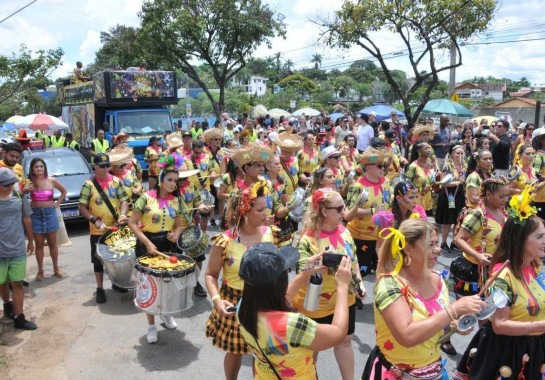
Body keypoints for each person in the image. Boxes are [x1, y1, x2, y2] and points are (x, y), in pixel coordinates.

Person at [362, 219, 486, 379]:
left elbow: (437, 326)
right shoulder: (389, 285)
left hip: (434, 372)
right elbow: (407, 336)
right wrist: (453, 310)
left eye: (437, 243)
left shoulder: (438, 280)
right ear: (408, 249)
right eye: (430, 245)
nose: (438, 250)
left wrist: (455, 325)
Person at [452, 192, 545, 379]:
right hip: (511, 353)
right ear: (520, 239)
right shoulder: (503, 277)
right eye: (540, 236)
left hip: (535, 347)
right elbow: (499, 325)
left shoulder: (534, 267)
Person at [237, 243, 353, 380]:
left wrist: (305, 274)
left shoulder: (242, 307)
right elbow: (338, 333)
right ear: (279, 282)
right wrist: (342, 286)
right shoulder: (291, 325)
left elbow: (278, 302)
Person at [204, 180, 275, 380]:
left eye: (266, 208)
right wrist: (217, 300)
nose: (265, 213)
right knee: (235, 352)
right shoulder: (225, 241)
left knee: (261, 352)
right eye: (260, 210)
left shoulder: (270, 234)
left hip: (264, 301)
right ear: (245, 211)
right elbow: (210, 274)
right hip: (234, 302)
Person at [292, 188, 365, 379]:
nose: (344, 211)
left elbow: (354, 260)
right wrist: (319, 262)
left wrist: (360, 283)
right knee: (312, 348)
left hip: (344, 299)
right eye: (339, 208)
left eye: (344, 207)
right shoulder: (308, 239)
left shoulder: (346, 232)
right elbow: (301, 271)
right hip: (315, 302)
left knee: (345, 341)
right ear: (324, 211)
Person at [128, 168, 183, 344]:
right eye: (170, 180)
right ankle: (151, 325)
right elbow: (132, 223)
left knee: (167, 285)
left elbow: (180, 224)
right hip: (148, 245)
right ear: (160, 180)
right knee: (149, 287)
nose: (173, 184)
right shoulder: (146, 197)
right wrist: (147, 243)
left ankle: (166, 315)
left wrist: (175, 233)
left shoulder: (176, 200)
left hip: (168, 245)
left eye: (175, 180)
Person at [78, 153, 129, 303]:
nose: (106, 169)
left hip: (115, 228)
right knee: (98, 261)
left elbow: (124, 200)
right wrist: (93, 219)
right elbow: (82, 206)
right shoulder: (88, 184)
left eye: (108, 166)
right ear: (94, 166)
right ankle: (99, 288)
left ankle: (116, 282)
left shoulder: (116, 181)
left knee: (116, 258)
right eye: (102, 166)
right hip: (98, 230)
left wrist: (123, 214)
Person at [344, 147, 391, 277]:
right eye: (380, 166)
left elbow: (389, 201)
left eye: (384, 166)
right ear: (368, 167)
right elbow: (350, 211)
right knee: (360, 272)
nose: (383, 169)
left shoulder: (386, 182)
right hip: (361, 237)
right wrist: (373, 210)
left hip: (382, 236)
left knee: (382, 272)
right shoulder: (357, 186)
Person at [0, 168, 36, 330]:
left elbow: (26, 218)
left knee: (17, 284)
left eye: (11, 184)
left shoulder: (18, 197)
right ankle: (7, 304)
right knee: (1, 282)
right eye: (6, 185)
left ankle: (19, 317)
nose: (10, 187)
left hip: (17, 248)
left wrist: (30, 240)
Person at [26, 158, 67, 280]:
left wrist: (57, 203)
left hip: (50, 213)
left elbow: (64, 191)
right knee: (38, 244)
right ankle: (40, 271)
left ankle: (56, 268)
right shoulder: (29, 182)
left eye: (41, 166)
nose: (39, 169)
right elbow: (21, 194)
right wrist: (28, 201)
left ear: (44, 168)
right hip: (36, 214)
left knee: (53, 243)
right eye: (36, 167)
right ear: (32, 169)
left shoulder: (51, 180)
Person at [179, 140, 216, 234]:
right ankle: (194, 233)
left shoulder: (208, 157)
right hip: (190, 191)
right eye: (196, 152)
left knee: (205, 214)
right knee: (192, 214)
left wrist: (212, 174)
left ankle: (203, 233)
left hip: (205, 191)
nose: (199, 154)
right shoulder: (185, 160)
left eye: (200, 152)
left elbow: (212, 170)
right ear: (192, 149)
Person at [435, 144, 467, 251]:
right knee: (448, 220)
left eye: (462, 153)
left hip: (459, 195)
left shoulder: (464, 166)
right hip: (450, 195)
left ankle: (454, 241)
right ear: (452, 154)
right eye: (457, 153)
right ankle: (443, 243)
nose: (460, 155)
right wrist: (459, 182)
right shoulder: (448, 166)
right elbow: (444, 183)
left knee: (457, 220)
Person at [405, 141, 435, 215]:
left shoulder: (431, 165)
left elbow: (432, 182)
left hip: (429, 200)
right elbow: (407, 185)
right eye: (426, 148)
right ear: (419, 151)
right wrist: (421, 189)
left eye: (429, 148)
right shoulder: (413, 167)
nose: (429, 150)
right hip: (417, 200)